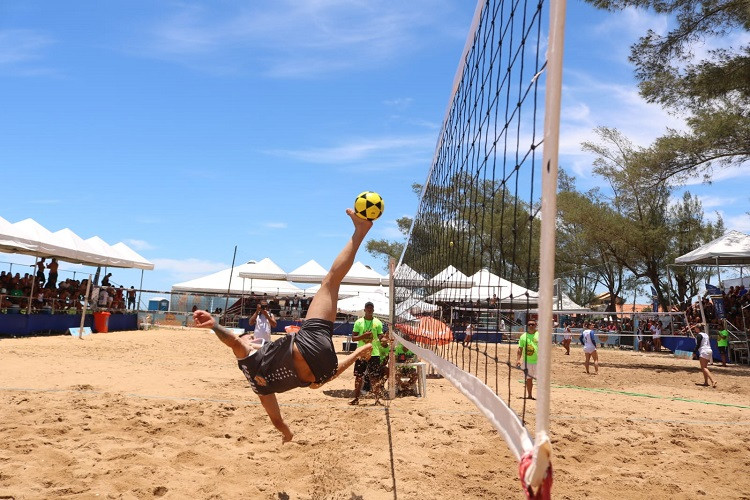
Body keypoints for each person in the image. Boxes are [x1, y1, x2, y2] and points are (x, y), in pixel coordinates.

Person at [193, 208, 375, 442]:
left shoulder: (260, 388)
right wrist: (214, 326)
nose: (249, 337)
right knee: (330, 281)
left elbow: (279, 419)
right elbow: (233, 341)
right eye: (248, 337)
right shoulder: (245, 358)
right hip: (307, 346)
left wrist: (286, 433)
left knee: (314, 383)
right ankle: (360, 231)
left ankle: (360, 231)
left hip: (321, 368)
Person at [349, 300, 385, 406]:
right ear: (364, 310)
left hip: (374, 353)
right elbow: (354, 338)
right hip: (362, 353)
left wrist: (385, 339)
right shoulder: (358, 322)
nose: (369, 310)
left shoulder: (378, 322)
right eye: (367, 308)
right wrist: (363, 336)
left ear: (373, 310)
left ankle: (377, 400)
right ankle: (356, 398)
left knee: (375, 377)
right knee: (358, 376)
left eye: (371, 308)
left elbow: (380, 337)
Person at [515, 320, 539, 399]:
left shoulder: (540, 335)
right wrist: (518, 360)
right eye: (529, 324)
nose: (531, 326)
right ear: (527, 325)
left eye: (532, 324)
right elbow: (520, 349)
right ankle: (529, 395)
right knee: (528, 379)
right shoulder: (523, 336)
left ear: (535, 325)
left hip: (539, 362)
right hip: (527, 362)